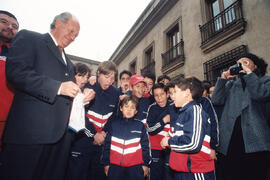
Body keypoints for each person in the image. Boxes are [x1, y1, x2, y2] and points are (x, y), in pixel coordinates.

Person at [0, 12, 86, 180]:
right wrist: (58, 87)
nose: (72, 37)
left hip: (59, 140)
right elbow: (16, 73)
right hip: (30, 135)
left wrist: (79, 97)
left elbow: (65, 93)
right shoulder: (30, 38)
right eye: (70, 31)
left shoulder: (68, 63)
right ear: (56, 24)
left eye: (75, 35)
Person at [211, 53, 270, 180]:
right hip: (230, 142)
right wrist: (223, 79)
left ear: (256, 65)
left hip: (255, 141)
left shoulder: (265, 81)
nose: (241, 65)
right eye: (239, 63)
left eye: (246, 62)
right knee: (231, 174)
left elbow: (260, 94)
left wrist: (249, 74)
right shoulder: (231, 85)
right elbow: (216, 100)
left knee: (255, 174)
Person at [68, 61, 119, 180]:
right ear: (98, 74)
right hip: (81, 141)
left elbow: (113, 117)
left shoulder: (115, 93)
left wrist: (104, 134)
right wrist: (93, 135)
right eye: (106, 77)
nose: (109, 81)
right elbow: (79, 114)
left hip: (102, 144)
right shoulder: (87, 86)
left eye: (112, 78)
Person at [161, 77, 215, 180]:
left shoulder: (194, 111)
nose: (172, 97)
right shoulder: (184, 112)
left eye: (175, 91)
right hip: (184, 170)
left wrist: (169, 142)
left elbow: (193, 144)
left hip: (196, 171)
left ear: (187, 93)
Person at [102, 95, 151, 180]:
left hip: (135, 168)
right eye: (126, 106)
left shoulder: (140, 126)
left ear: (136, 111)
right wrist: (106, 163)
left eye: (132, 107)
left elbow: (146, 147)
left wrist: (145, 165)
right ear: (121, 108)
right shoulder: (114, 125)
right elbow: (107, 145)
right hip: (115, 167)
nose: (129, 110)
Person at [0, 10, 19, 149]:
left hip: (8, 123)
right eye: (4, 22)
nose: (10, 27)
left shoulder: (18, 54)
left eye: (15, 26)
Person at [147, 83, 170, 180]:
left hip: (171, 148)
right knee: (156, 175)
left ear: (167, 94)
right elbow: (150, 129)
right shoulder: (152, 108)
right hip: (155, 149)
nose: (159, 98)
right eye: (156, 95)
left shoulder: (174, 105)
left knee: (169, 175)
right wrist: (164, 121)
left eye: (162, 94)